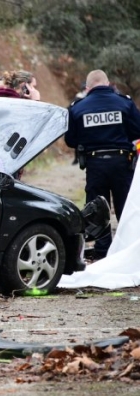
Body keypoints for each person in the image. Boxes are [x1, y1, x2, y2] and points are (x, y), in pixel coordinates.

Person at [65, 69, 140, 260]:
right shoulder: (125, 102)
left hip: (95, 164)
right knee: (125, 207)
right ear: (108, 84)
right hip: (122, 163)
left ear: (88, 88)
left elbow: (71, 140)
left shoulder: (77, 108)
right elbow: (137, 130)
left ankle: (102, 251)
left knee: (98, 208)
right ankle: (128, 250)